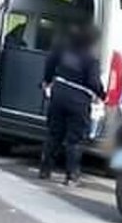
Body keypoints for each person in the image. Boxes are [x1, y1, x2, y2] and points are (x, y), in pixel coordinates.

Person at [40, 24, 105, 186]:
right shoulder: (91, 59)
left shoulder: (64, 50)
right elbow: (93, 82)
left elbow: (49, 63)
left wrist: (47, 81)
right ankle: (71, 176)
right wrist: (102, 95)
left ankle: (45, 169)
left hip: (59, 93)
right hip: (78, 100)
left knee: (54, 134)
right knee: (74, 140)